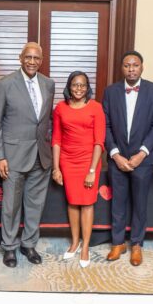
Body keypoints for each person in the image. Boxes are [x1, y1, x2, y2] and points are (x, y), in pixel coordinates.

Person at [0, 41, 55, 268]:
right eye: (28, 57)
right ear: (20, 58)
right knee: (11, 206)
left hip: (41, 155)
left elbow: (47, 120)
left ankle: (29, 244)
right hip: (13, 156)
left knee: (35, 204)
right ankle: (9, 246)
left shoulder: (48, 84)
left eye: (36, 58)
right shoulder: (5, 84)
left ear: (41, 60)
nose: (32, 61)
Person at [102, 50, 153, 266]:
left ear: (142, 67)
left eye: (135, 65)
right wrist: (115, 154)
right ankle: (117, 243)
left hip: (143, 160)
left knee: (140, 203)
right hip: (117, 158)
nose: (131, 69)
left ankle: (136, 244)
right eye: (127, 65)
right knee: (117, 202)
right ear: (122, 68)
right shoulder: (110, 92)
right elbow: (105, 126)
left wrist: (142, 153)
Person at [52, 71, 105, 268]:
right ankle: (75, 242)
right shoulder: (60, 108)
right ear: (69, 86)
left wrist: (92, 170)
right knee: (73, 202)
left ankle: (85, 247)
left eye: (82, 85)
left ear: (87, 88)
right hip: (67, 161)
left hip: (89, 161)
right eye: (75, 84)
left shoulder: (96, 107)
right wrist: (56, 168)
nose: (79, 88)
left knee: (87, 203)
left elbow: (99, 141)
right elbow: (56, 139)